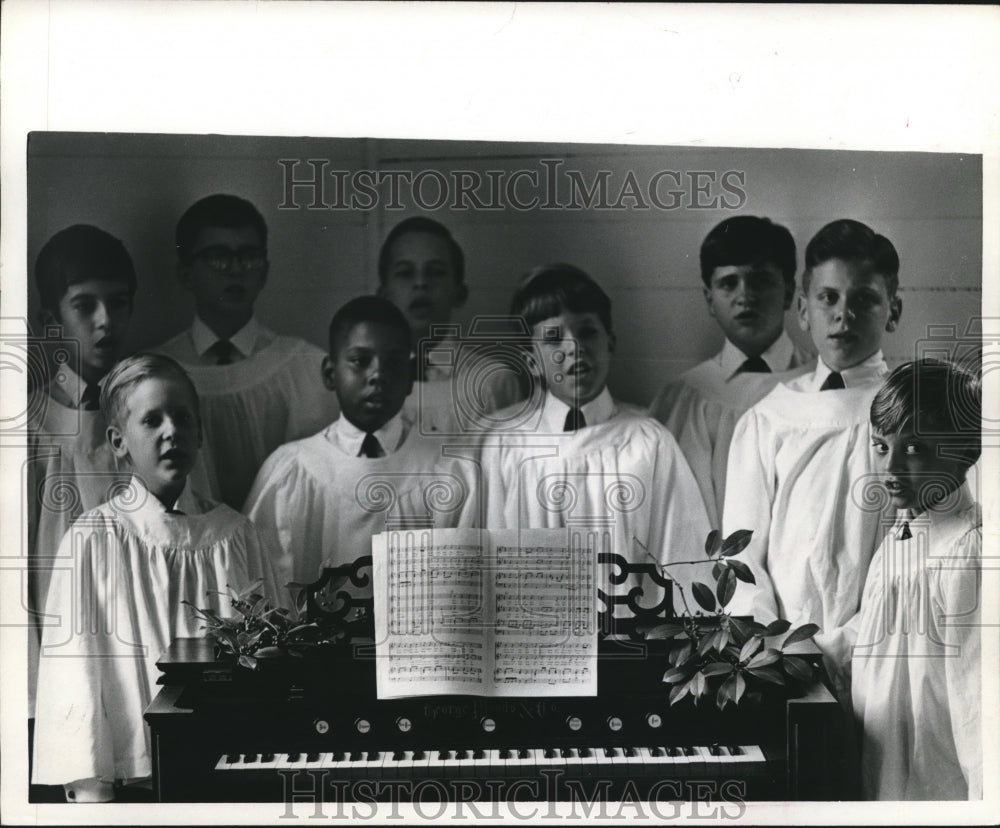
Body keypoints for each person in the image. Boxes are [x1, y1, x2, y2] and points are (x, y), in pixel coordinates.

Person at [31, 354, 279, 802]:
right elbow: (75, 676)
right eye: (152, 420)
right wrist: (92, 792)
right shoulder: (95, 540)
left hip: (234, 769)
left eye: (183, 417)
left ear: (199, 432)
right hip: (135, 785)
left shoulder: (237, 535)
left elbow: (273, 656)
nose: (172, 431)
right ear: (118, 441)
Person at [723, 219, 903, 702]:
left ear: (893, 310)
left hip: (885, 654)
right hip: (780, 661)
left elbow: (912, 559)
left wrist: (841, 647)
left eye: (864, 298)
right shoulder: (771, 417)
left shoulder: (912, 418)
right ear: (803, 310)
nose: (843, 314)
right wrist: (778, 649)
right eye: (828, 298)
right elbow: (741, 556)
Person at [483, 264, 711, 613]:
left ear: (610, 342)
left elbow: (680, 558)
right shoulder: (505, 447)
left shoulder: (646, 442)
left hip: (631, 651)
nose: (574, 347)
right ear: (531, 361)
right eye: (553, 338)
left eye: (587, 331)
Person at [244, 296, 477, 600]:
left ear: (409, 379)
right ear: (330, 373)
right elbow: (264, 586)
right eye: (360, 361)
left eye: (393, 362)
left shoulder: (448, 469)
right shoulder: (293, 469)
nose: (378, 375)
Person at [850, 359, 981, 800]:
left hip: (936, 776)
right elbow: (875, 631)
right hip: (886, 761)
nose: (890, 468)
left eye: (914, 449)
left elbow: (975, 698)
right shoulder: (902, 535)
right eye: (881, 446)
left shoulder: (966, 552)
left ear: (965, 451)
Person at [156, 194, 338, 509]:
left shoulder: (303, 366)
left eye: (249, 256)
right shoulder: (157, 370)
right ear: (186, 273)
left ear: (265, 270)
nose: (236, 269)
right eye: (218, 256)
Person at [27, 225, 137, 720]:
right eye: (84, 306)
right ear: (51, 321)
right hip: (63, 653)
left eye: (118, 302)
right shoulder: (31, 429)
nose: (105, 321)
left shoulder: (155, 415)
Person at [649, 216, 813, 526]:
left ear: (789, 293)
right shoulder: (683, 398)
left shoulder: (824, 385)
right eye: (728, 283)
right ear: (710, 300)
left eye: (761, 280)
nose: (745, 296)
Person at [377, 216, 524, 436]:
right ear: (383, 296)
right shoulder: (366, 382)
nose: (421, 284)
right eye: (405, 273)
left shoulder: (494, 382)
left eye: (436, 272)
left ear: (459, 293)